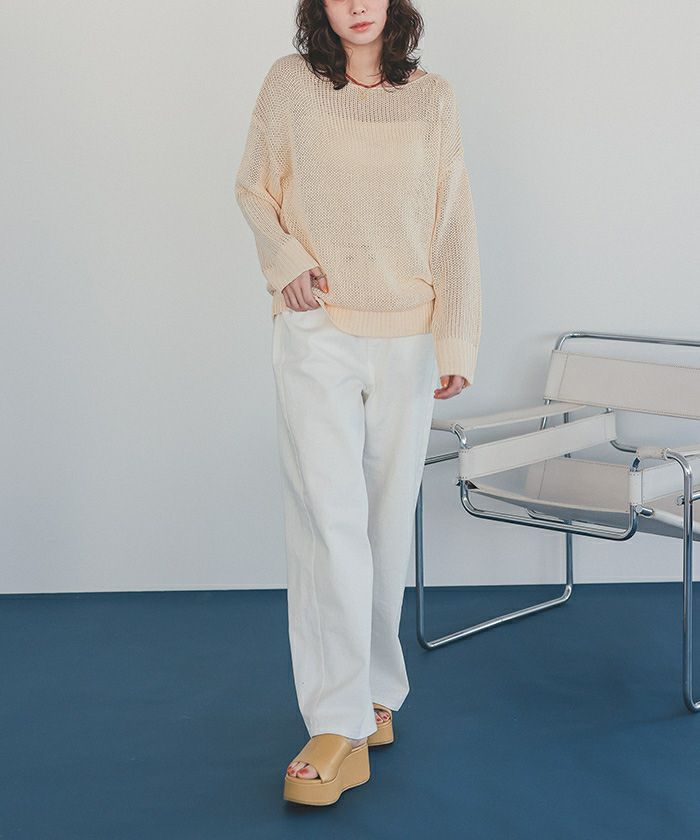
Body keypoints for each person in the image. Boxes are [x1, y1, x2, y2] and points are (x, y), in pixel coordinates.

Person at [235, 0, 482, 806]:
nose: (358, 4)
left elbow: (453, 222)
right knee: (327, 522)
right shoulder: (291, 84)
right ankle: (336, 722)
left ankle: (375, 693)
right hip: (319, 331)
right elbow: (252, 188)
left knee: (382, 524)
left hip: (409, 337)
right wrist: (285, 263)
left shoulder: (432, 97)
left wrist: (456, 338)